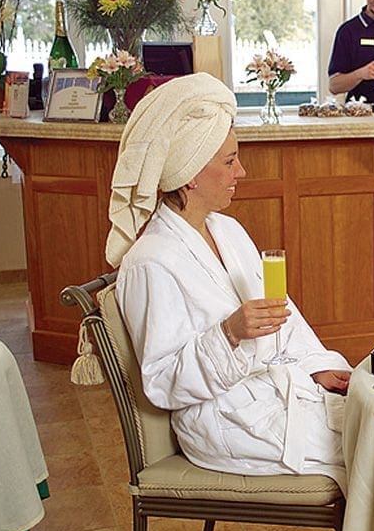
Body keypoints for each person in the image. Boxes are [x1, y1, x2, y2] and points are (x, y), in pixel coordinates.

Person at [106, 73, 352, 488]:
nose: (242, 170)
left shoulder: (229, 231)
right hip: (226, 421)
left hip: (276, 392)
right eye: (228, 160)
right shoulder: (151, 263)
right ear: (190, 174)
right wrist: (229, 334)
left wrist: (316, 368)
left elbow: (284, 320)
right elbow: (162, 383)